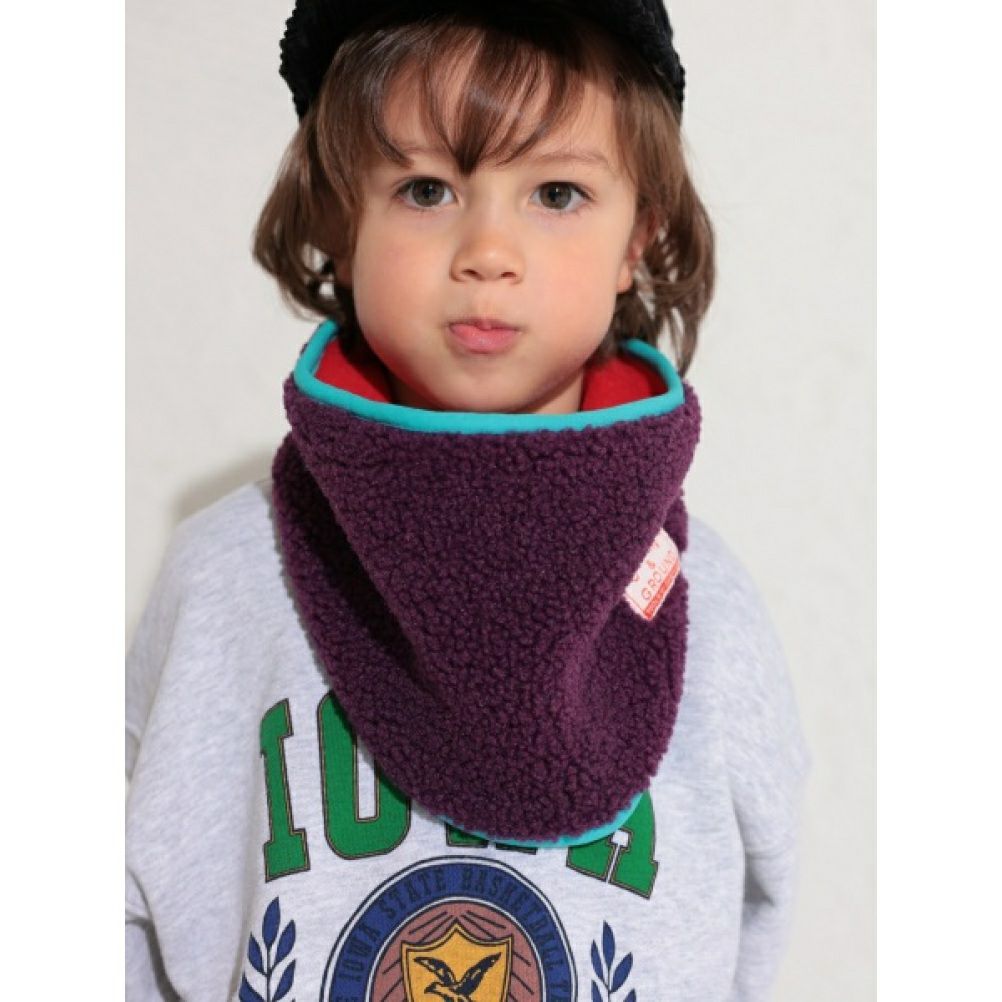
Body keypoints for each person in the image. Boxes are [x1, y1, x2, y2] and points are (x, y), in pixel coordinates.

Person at [125, 2, 811, 999]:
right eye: (427, 188)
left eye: (558, 193)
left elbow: (751, 924)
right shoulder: (224, 581)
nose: (488, 249)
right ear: (341, 219)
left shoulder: (709, 607)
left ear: (638, 239)